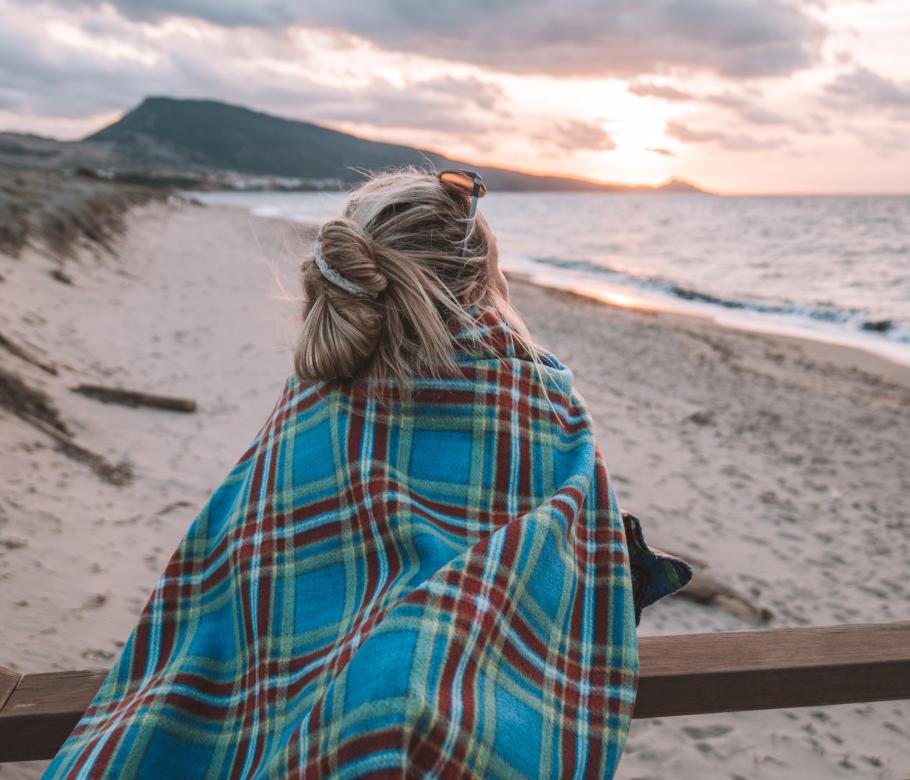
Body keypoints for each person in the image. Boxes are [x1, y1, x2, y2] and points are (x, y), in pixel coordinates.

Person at [43, 166, 691, 779]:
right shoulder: (539, 403)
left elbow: (232, 577)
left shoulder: (315, 397)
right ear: (483, 282)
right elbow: (576, 563)